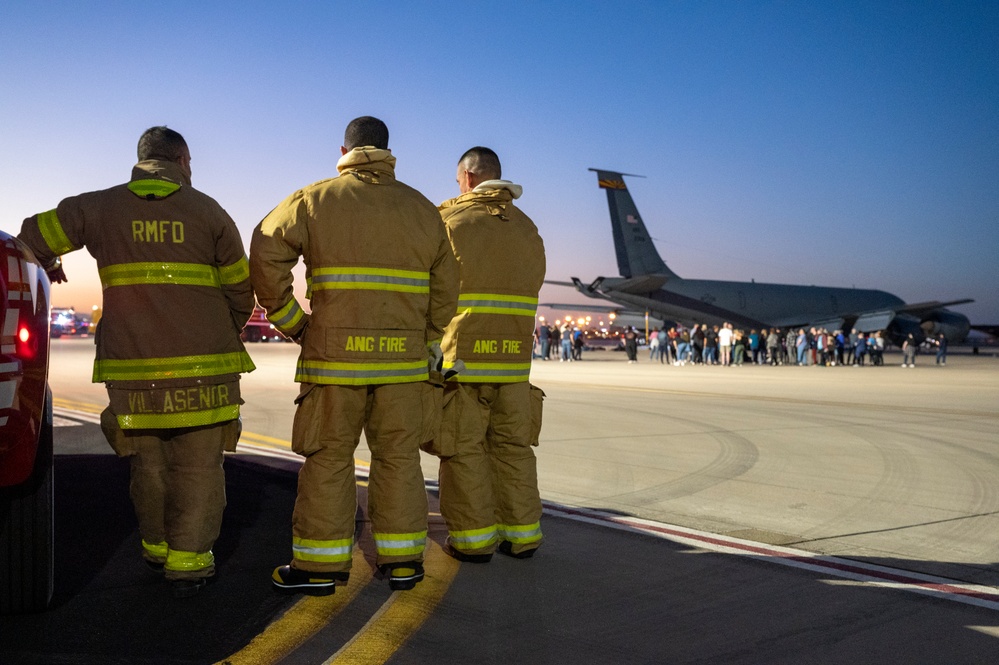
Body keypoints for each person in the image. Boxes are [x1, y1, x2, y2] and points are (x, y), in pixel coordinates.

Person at [18, 126, 255, 597]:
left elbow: (30, 236)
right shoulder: (210, 212)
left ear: (141, 159)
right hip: (205, 370)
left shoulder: (99, 206)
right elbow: (240, 293)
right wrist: (219, 330)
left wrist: (49, 261)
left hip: (134, 372)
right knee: (199, 467)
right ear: (183, 161)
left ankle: (157, 550)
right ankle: (189, 567)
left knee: (148, 466)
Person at [250, 117, 459, 594]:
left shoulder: (313, 199)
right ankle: (404, 561)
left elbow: (265, 249)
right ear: (388, 152)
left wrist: (293, 322)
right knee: (400, 459)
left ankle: (320, 568)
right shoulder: (424, 210)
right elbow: (448, 289)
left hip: (333, 362)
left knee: (328, 458)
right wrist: (422, 334)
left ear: (343, 149)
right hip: (403, 366)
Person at [429, 146, 546, 562]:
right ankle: (522, 537)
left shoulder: (451, 223)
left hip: (463, 361)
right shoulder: (528, 228)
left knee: (464, 450)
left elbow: (433, 291)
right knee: (513, 450)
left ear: (468, 178)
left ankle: (474, 542)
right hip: (515, 364)